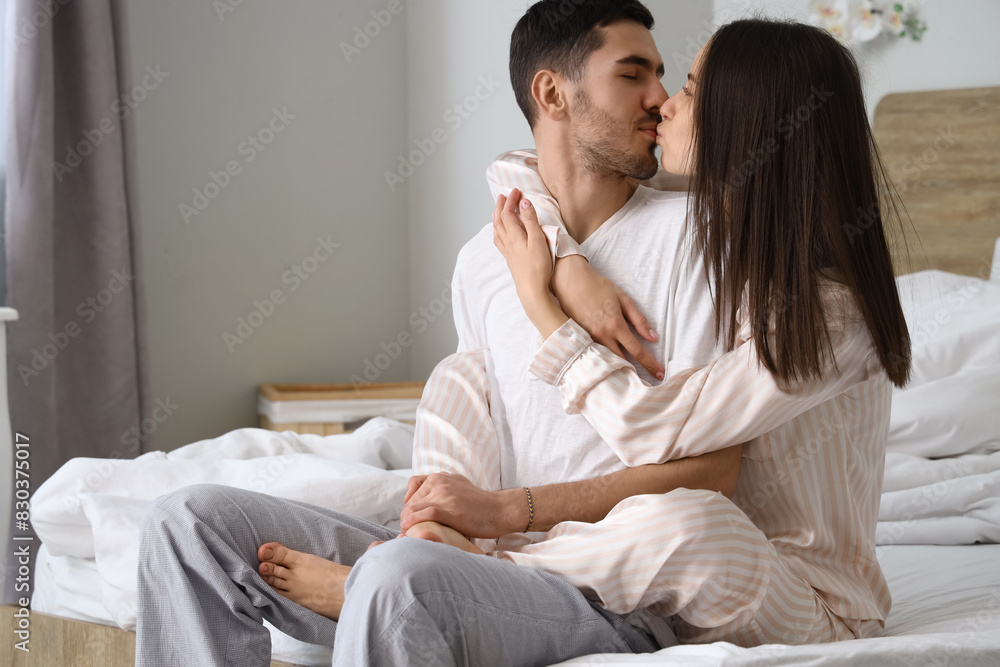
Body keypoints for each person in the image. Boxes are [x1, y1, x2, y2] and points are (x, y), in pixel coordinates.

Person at [135, 2, 747, 664]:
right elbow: (474, 426)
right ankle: (401, 572)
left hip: (611, 600)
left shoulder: (701, 240)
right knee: (186, 524)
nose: (660, 98)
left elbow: (717, 468)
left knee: (396, 579)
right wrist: (438, 527)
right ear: (551, 93)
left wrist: (512, 515)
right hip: (474, 560)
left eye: (661, 75)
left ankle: (386, 580)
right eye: (634, 75)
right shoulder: (486, 259)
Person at [422, 15, 911, 648]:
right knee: (457, 375)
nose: (665, 105)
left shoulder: (832, 320)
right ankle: (430, 543)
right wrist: (567, 263)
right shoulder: (745, 259)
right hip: (706, 580)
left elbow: (653, 432)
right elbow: (521, 166)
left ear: (748, 123)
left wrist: (542, 304)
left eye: (688, 87)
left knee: (688, 519)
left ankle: (456, 578)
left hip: (813, 606)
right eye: (647, 77)